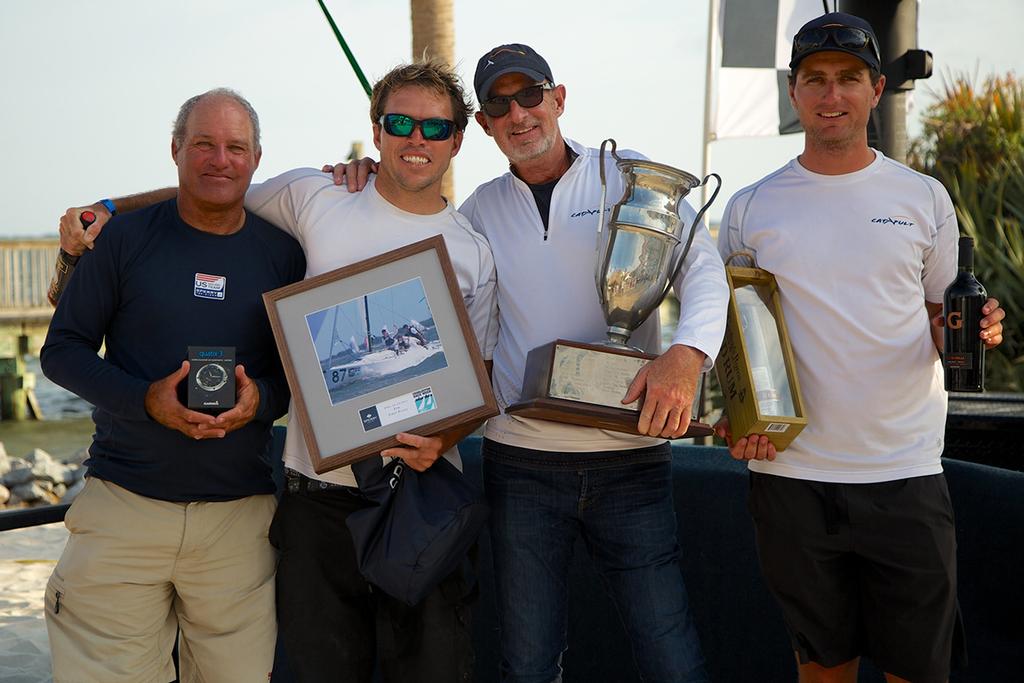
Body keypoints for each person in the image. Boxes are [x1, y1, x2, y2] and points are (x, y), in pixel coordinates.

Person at [55, 62, 496, 683]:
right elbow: (210, 188)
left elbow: (481, 376)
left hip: (419, 497)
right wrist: (105, 208)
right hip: (315, 500)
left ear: (457, 139)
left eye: (433, 126)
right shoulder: (315, 195)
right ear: (377, 132)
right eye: (400, 122)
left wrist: (444, 439)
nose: (415, 139)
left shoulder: (473, 248)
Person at [332, 43, 727, 683]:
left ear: (558, 98)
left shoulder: (634, 178)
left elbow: (706, 277)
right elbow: (437, 311)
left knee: (670, 655)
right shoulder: (477, 212)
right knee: (528, 663)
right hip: (521, 465)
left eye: (530, 95)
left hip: (629, 460)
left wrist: (685, 355)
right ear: (483, 125)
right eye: (498, 103)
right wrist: (355, 179)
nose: (518, 113)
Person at [713, 13, 1006, 683]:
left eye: (848, 78)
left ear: (877, 89)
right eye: (815, 79)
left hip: (903, 472)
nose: (831, 94)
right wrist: (738, 420)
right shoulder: (752, 206)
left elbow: (941, 317)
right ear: (794, 93)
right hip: (790, 478)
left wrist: (972, 325)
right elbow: (737, 338)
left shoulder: (922, 197)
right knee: (823, 672)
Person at [40, 89, 306, 682]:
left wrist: (261, 398)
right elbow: (61, 351)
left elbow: (300, 376)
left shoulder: (285, 254)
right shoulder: (124, 241)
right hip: (124, 511)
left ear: (257, 158)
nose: (220, 159)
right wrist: (145, 401)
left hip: (240, 521)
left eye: (235, 147)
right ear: (175, 150)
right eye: (203, 144)